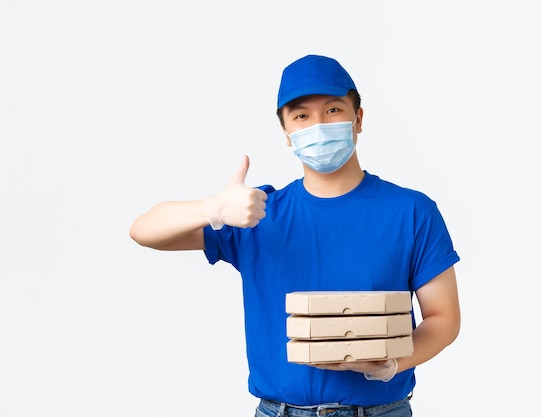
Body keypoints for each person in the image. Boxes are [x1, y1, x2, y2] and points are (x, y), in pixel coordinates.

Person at [129, 54, 461, 417]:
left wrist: (395, 362)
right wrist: (213, 209)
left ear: (358, 119)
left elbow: (443, 317)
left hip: (380, 410)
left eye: (333, 110)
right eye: (301, 116)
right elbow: (144, 231)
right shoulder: (256, 213)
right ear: (287, 133)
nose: (317, 124)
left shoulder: (411, 212)